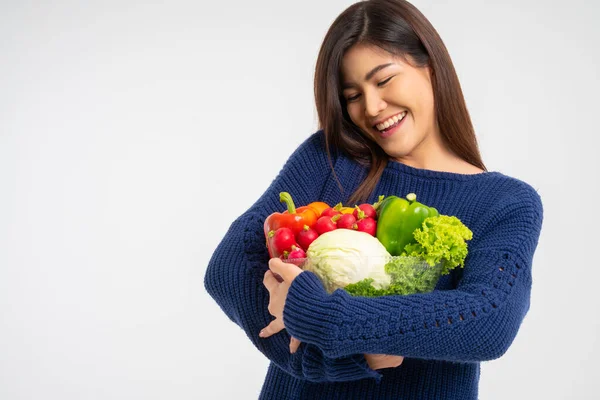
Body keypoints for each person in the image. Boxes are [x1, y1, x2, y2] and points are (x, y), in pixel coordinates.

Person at [204, 0, 543, 398]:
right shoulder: (330, 159)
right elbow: (229, 268)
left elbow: (487, 320)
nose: (372, 107)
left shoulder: (506, 202)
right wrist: (335, 360)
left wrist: (323, 317)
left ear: (429, 65)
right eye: (352, 95)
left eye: (383, 81)